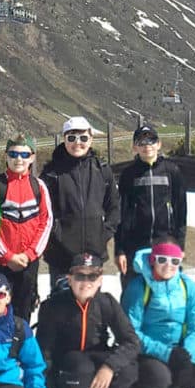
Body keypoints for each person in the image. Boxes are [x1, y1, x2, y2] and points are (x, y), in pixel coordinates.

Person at [36, 253, 141, 388]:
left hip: (97, 358)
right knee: (79, 365)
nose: (86, 282)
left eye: (92, 276)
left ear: (100, 280)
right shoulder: (53, 306)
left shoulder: (106, 302)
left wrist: (109, 367)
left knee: (128, 367)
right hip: (69, 364)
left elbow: (132, 341)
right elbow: (43, 354)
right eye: (80, 276)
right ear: (69, 279)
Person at [121, 241, 195, 388]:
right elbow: (130, 332)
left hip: (179, 348)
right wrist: (166, 354)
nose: (168, 265)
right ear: (153, 260)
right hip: (148, 351)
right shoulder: (139, 287)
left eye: (174, 261)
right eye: (162, 259)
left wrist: (188, 354)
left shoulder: (187, 286)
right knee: (160, 378)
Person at [41, 116, 120, 289]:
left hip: (93, 254)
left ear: (91, 139)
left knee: (91, 309)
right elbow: (44, 212)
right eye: (72, 138)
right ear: (64, 139)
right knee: (61, 307)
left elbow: (114, 206)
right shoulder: (51, 173)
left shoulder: (102, 170)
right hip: (61, 255)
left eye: (83, 138)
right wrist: (57, 233)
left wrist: (104, 233)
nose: (78, 143)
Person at [116, 124, 187, 289]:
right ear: (134, 147)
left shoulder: (172, 171)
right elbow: (122, 212)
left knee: (165, 293)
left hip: (165, 242)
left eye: (151, 140)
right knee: (133, 292)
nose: (147, 145)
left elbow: (181, 210)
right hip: (135, 244)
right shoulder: (128, 174)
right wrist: (120, 250)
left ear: (159, 144)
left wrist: (180, 244)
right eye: (141, 142)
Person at [0, 134, 53, 321]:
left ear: (32, 157)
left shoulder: (39, 186)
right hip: (0, 263)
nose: (19, 159)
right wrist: (7, 256)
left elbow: (46, 221)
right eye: (14, 154)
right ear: (6, 156)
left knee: (23, 312)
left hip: (28, 263)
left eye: (25, 155)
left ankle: (21, 348)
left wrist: (30, 254)